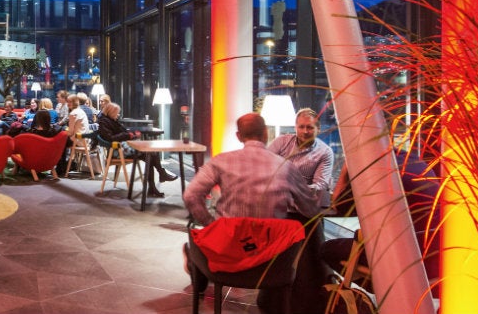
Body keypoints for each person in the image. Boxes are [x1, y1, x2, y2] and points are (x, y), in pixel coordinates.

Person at [182, 113, 311, 314]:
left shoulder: (222, 161)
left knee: (196, 241)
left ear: (238, 136)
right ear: (266, 133)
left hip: (227, 255)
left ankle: (197, 272)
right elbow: (310, 208)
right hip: (272, 263)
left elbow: (191, 196)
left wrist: (212, 225)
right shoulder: (286, 167)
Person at [322, 146, 442, 285]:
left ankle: (389, 295)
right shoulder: (416, 162)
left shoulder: (374, 168)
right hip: (439, 260)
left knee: (328, 250)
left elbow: (339, 205)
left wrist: (346, 167)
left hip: (405, 259)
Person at [267, 107, 334, 314]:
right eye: (301, 127)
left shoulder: (325, 152)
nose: (305, 131)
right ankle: (272, 293)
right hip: (280, 203)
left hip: (306, 207)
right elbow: (266, 168)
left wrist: (288, 186)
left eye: (310, 127)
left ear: (318, 128)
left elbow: (319, 185)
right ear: (295, 127)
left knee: (312, 247)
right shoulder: (281, 142)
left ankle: (311, 296)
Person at [97, 102, 176, 196]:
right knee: (151, 154)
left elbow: (121, 134)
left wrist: (132, 135)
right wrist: (128, 135)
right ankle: (159, 178)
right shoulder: (104, 123)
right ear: (110, 112)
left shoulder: (111, 120)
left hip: (123, 147)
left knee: (151, 154)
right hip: (117, 151)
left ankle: (155, 184)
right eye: (116, 112)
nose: (118, 115)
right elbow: (111, 138)